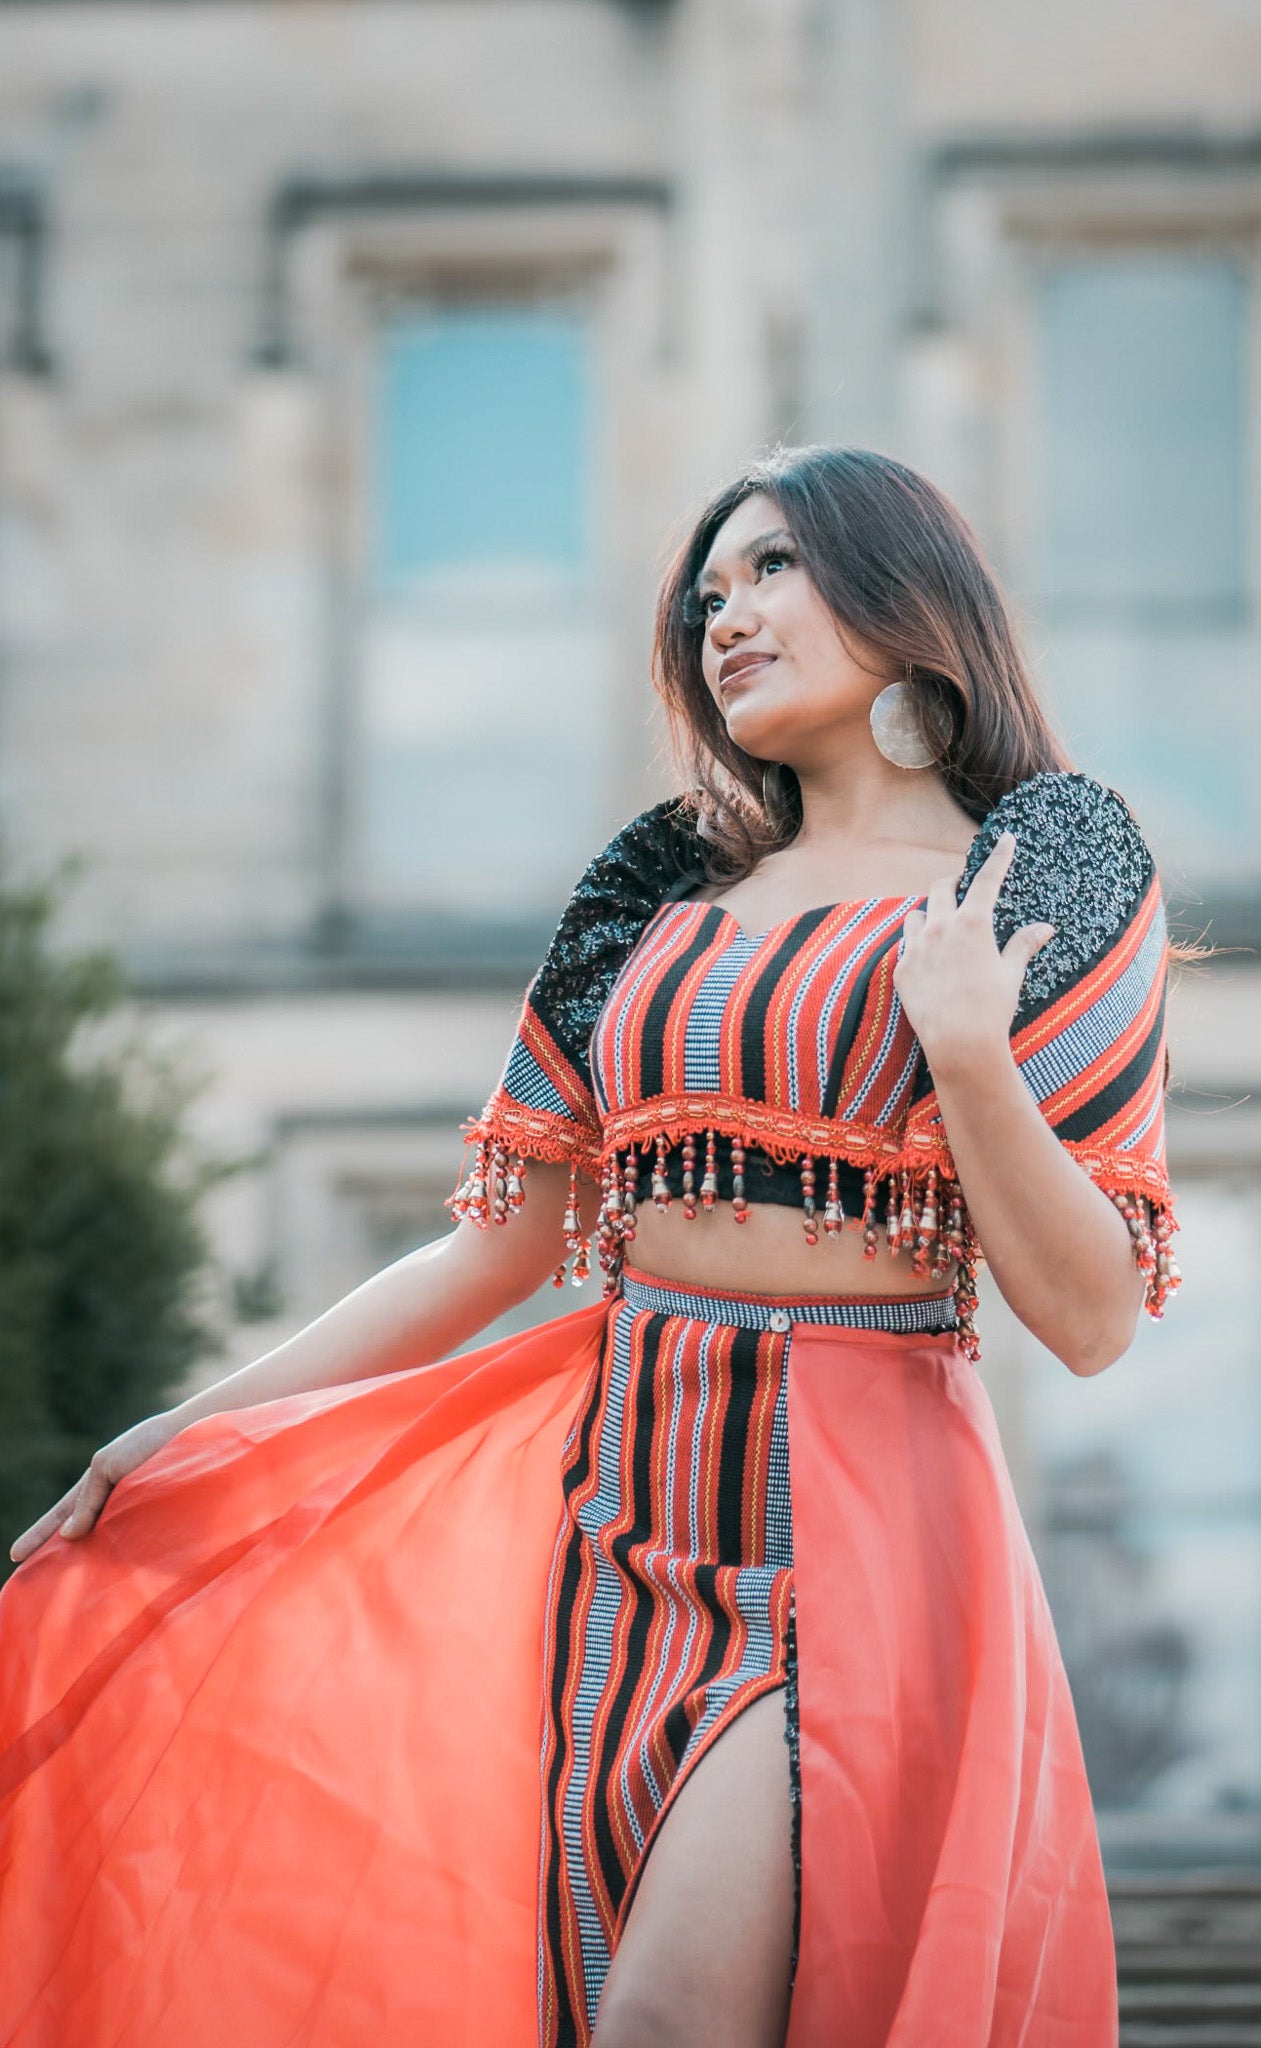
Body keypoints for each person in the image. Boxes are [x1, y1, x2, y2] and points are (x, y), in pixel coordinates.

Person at [0, 445, 1178, 2048]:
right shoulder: (654, 899)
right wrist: (180, 1435)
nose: (726, 619)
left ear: (908, 596)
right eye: (705, 595)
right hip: (616, 1530)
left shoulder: (1040, 872)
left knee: (669, 2026)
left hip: (858, 1540)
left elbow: (1093, 1314)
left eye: (772, 570)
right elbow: (483, 1264)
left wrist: (970, 1056)